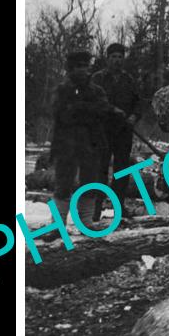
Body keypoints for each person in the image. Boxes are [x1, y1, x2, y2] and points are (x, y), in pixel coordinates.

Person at [51, 51, 120, 225]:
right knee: (63, 183)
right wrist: (89, 109)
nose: (83, 70)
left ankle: (86, 221)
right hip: (66, 142)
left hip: (91, 142)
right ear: (70, 69)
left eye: (85, 66)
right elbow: (62, 114)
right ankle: (58, 223)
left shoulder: (96, 90)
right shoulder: (62, 89)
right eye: (78, 66)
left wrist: (80, 108)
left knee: (90, 181)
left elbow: (104, 110)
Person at [91, 42, 141, 207]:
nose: (117, 60)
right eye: (114, 57)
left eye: (120, 57)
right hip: (102, 131)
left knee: (122, 171)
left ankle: (118, 208)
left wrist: (134, 116)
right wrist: (112, 110)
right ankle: (96, 208)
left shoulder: (129, 80)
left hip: (123, 132)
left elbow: (138, 102)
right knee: (100, 170)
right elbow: (94, 103)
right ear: (108, 58)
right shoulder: (98, 79)